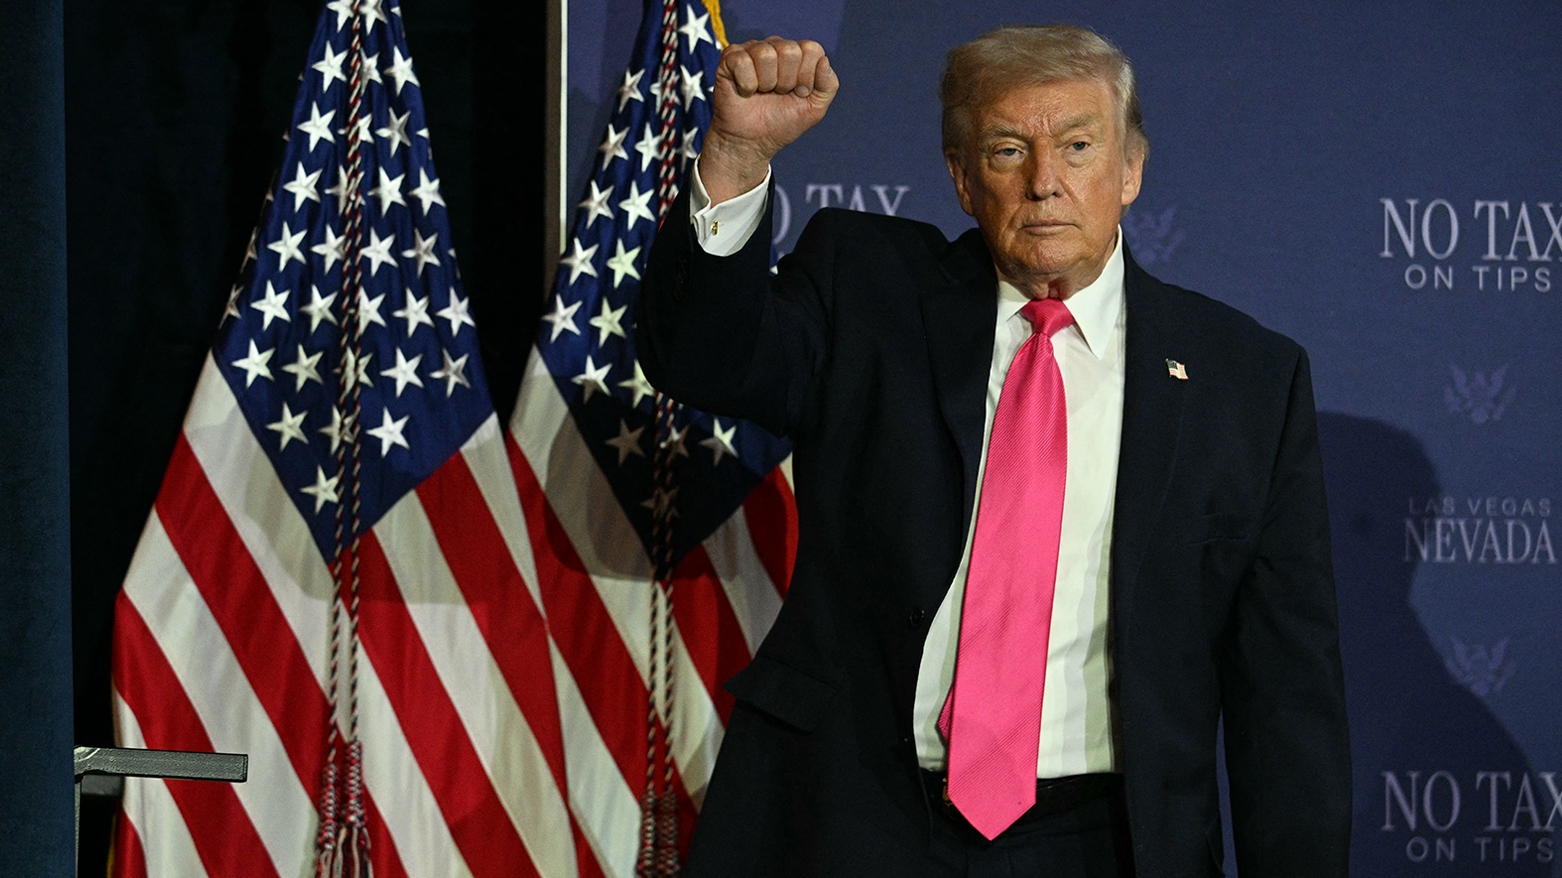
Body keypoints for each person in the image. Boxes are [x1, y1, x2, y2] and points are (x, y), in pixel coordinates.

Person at [637, 24, 1351, 878]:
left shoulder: (1245, 380)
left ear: (1130, 169)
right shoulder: (866, 289)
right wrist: (736, 157)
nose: (1045, 181)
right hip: (854, 820)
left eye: (1079, 146)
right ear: (962, 178)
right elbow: (702, 359)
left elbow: (1285, 693)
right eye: (1009, 150)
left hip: (1102, 845)